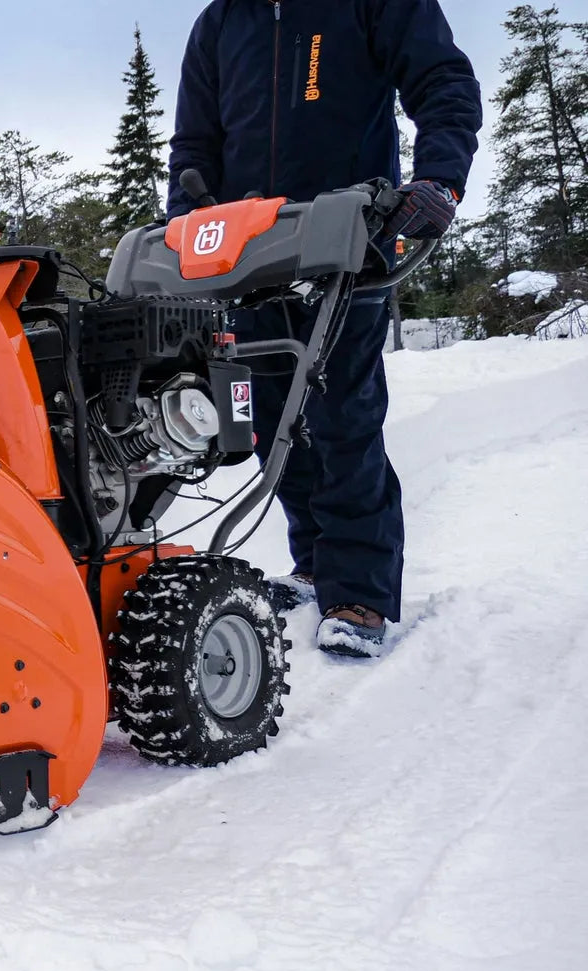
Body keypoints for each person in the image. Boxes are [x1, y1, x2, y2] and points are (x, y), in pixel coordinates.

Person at [167, 0, 482, 658]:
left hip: (349, 239)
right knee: (269, 421)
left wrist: (439, 180)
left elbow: (442, 80)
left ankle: (358, 591)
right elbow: (194, 147)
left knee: (343, 414)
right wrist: (187, 228)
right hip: (245, 253)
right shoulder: (221, 23)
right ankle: (313, 563)